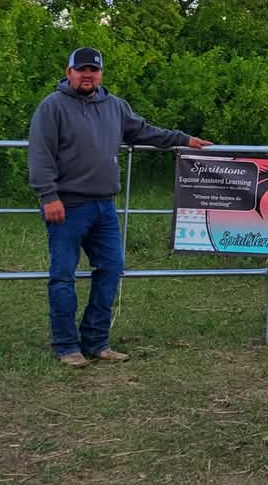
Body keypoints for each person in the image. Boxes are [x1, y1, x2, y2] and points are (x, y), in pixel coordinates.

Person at [28, 47, 213, 368]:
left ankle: (97, 340)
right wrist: (48, 196)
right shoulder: (52, 107)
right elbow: (40, 153)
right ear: (68, 71)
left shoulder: (115, 107)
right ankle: (66, 346)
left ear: (101, 73)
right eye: (81, 69)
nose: (88, 75)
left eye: (94, 70)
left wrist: (184, 139)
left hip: (104, 207)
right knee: (62, 276)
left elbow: (145, 131)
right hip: (67, 206)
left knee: (112, 268)